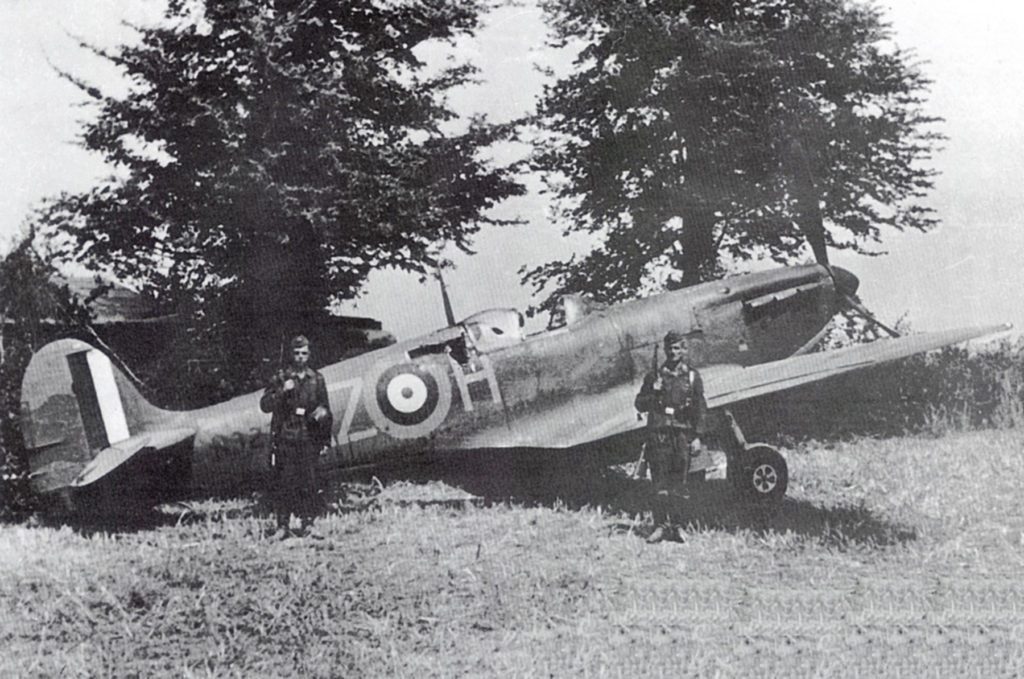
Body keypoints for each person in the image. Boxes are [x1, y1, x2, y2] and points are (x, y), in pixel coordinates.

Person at [634, 330, 706, 543]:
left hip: (682, 434)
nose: (673, 352)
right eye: (670, 348)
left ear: (683, 350)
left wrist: (697, 436)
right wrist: (653, 392)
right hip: (660, 434)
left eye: (677, 348)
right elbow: (639, 404)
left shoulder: (692, 376)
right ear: (665, 350)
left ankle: (677, 527)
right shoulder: (654, 377)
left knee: (680, 484)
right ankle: (660, 526)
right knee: (659, 483)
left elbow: (700, 408)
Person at [260, 335, 332, 538]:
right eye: (297, 353)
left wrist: (325, 438)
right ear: (291, 355)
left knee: (309, 483)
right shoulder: (281, 378)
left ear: (309, 355)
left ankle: (308, 524)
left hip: (309, 438)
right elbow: (265, 405)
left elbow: (326, 408)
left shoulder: (317, 379)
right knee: (285, 483)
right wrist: (283, 391)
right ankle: (282, 527)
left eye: (304, 353)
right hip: (286, 438)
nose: (300, 357)